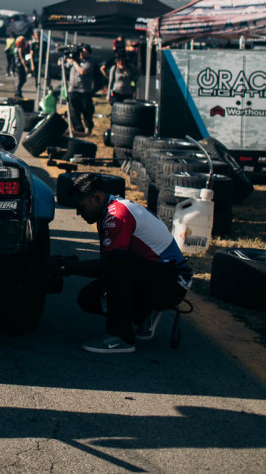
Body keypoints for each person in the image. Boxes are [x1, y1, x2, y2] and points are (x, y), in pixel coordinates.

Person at [58, 173, 193, 353]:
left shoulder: (117, 214)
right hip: (158, 275)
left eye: (81, 207)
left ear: (96, 198)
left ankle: (121, 337)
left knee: (116, 261)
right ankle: (144, 313)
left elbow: (112, 265)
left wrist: (70, 266)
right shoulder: (108, 210)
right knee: (89, 297)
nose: (78, 213)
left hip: (172, 283)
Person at [64, 44, 97, 135]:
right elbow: (66, 68)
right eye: (81, 51)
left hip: (84, 90)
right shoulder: (75, 59)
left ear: (88, 52)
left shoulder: (89, 61)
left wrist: (74, 62)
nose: (82, 53)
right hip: (73, 89)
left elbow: (82, 71)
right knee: (73, 111)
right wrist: (63, 62)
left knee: (86, 111)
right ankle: (78, 129)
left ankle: (88, 127)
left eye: (84, 51)